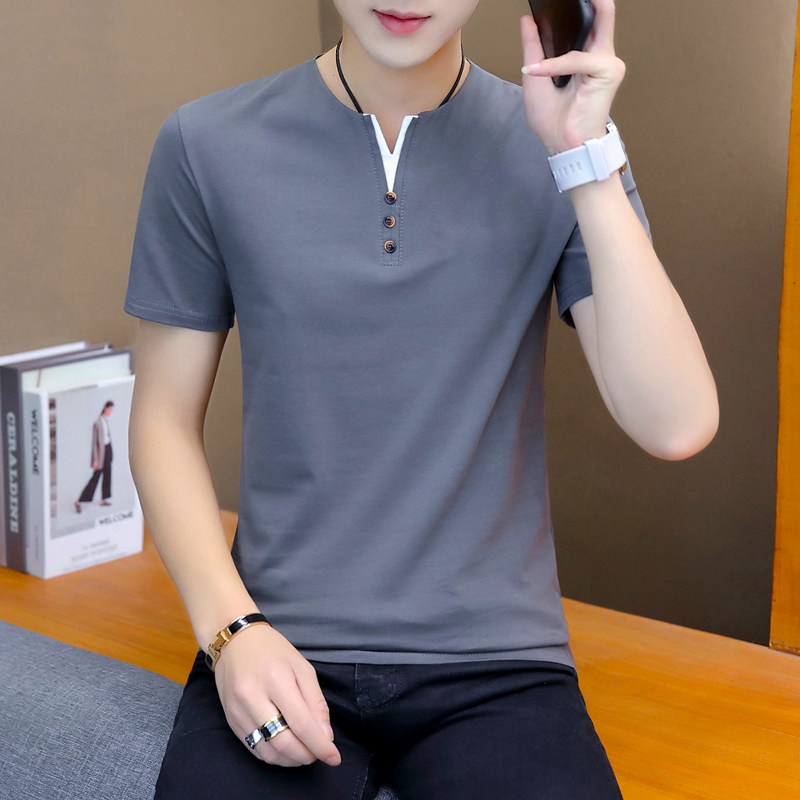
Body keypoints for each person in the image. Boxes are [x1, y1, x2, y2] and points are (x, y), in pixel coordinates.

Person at [124, 1, 718, 798]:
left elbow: (677, 423)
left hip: (499, 666)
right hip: (276, 641)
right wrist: (231, 632)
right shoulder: (206, 143)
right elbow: (162, 422)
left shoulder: (567, 150)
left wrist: (584, 158)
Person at [75, 400, 114, 512]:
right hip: (100, 454)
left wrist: (111, 453)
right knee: (96, 477)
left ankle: (104, 499)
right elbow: (94, 444)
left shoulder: (106, 421)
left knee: (107, 475)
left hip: (107, 450)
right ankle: (79, 501)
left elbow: (107, 438)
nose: (110, 412)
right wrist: (95, 459)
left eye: (112, 410)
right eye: (109, 409)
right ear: (105, 408)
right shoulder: (97, 423)